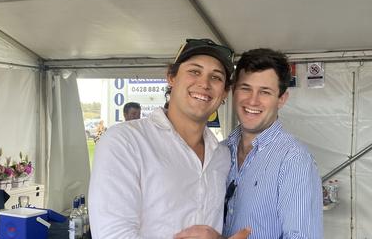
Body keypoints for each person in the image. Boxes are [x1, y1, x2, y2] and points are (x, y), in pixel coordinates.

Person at [89, 39, 250, 239]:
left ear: (225, 92)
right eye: (194, 71)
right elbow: (111, 235)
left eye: (216, 77)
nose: (204, 84)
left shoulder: (222, 155)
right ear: (171, 77)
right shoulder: (125, 141)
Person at [175, 48, 323, 239]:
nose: (253, 101)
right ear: (233, 91)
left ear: (281, 99)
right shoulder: (220, 151)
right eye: (245, 88)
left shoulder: (293, 160)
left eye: (265, 92)